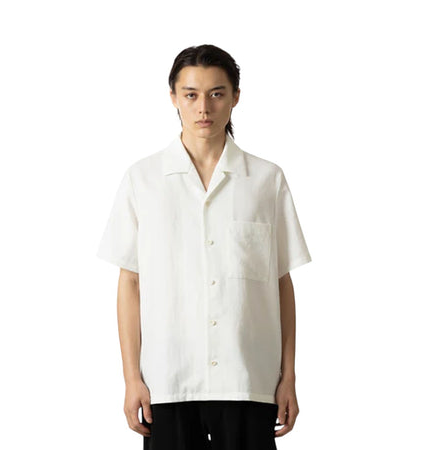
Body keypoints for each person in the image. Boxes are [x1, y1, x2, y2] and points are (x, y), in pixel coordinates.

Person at [96, 44, 312, 450]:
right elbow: (130, 284)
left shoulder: (266, 180)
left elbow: (281, 283)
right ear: (173, 97)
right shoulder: (143, 180)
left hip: (248, 379)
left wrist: (289, 377)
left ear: (235, 97)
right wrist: (131, 378)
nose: (203, 108)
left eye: (216, 94)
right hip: (168, 380)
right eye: (191, 95)